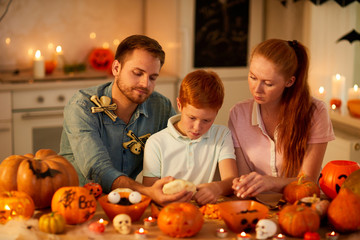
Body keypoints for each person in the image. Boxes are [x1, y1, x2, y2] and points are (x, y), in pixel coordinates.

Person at [59, 35, 193, 205]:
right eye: (137, 73)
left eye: (153, 77)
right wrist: (147, 191)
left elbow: (183, 146)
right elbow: (97, 168)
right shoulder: (82, 105)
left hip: (127, 202)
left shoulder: (161, 107)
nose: (145, 84)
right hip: (74, 203)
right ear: (116, 68)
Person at [229, 39, 335, 199]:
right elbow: (243, 181)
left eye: (268, 83)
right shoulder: (238, 114)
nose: (257, 89)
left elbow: (309, 181)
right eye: (253, 77)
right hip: (256, 207)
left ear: (289, 81)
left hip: (302, 206)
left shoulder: (315, 112)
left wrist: (272, 182)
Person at [142, 69, 238, 205]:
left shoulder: (222, 135)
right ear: (180, 105)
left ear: (217, 112)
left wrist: (217, 188)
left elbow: (232, 181)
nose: (197, 127)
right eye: (192, 117)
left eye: (207, 120)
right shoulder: (156, 143)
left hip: (207, 212)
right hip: (169, 211)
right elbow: (151, 191)